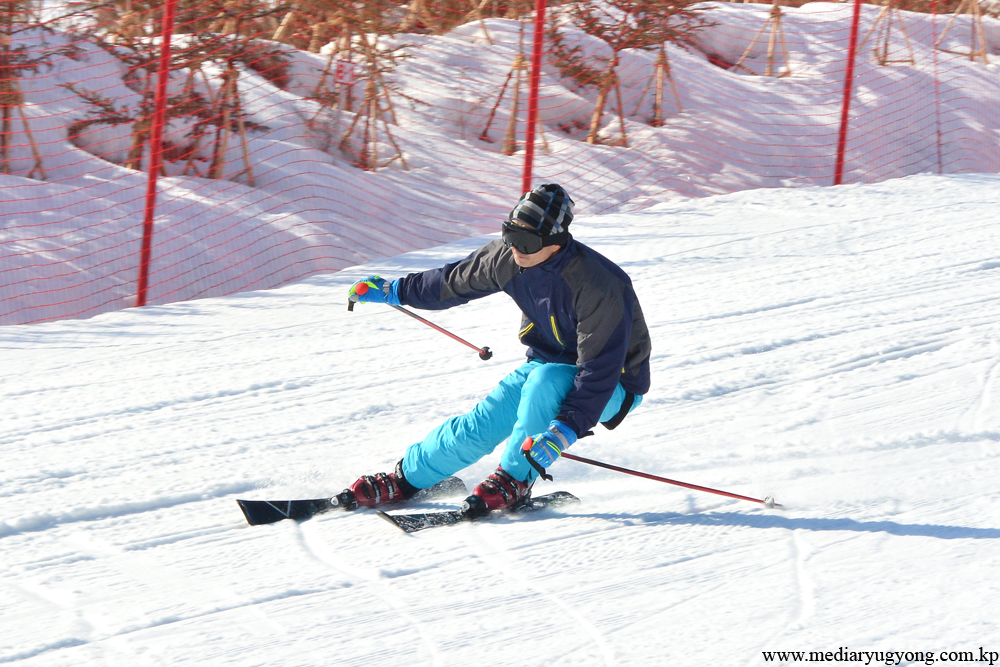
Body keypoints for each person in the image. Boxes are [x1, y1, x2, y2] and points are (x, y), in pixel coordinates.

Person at [344, 184, 651, 517]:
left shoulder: (597, 283)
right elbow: (451, 282)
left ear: (554, 241)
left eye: (527, 241)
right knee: (481, 423)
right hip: (546, 365)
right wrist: (394, 290)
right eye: (510, 233)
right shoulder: (508, 257)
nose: (516, 247)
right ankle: (407, 478)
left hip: (613, 386)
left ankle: (514, 479)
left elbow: (599, 370)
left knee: (545, 381)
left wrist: (563, 431)